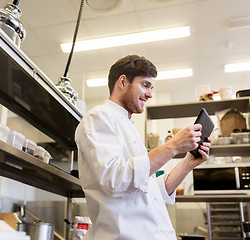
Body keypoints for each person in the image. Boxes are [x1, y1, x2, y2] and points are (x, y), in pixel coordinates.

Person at [75, 55, 211, 240]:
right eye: (145, 85)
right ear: (122, 81)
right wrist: (172, 146)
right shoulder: (98, 117)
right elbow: (114, 179)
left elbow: (153, 192)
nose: (149, 94)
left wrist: (188, 162)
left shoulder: (128, 126)